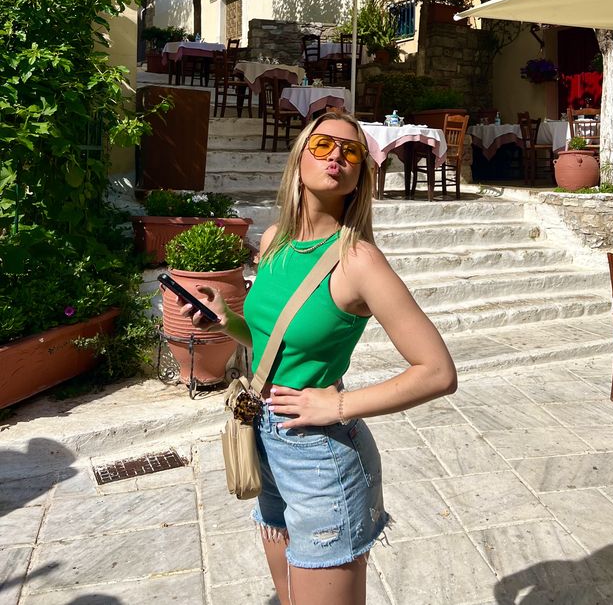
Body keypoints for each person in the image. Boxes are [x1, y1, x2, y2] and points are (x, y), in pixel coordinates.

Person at [178, 111, 457, 605]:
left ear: (360, 176)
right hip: (262, 438)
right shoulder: (273, 242)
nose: (337, 158)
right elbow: (273, 344)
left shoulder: (358, 260)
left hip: (319, 458)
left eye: (352, 152)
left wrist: (339, 406)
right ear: (300, 158)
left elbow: (437, 372)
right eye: (324, 145)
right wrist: (227, 322)